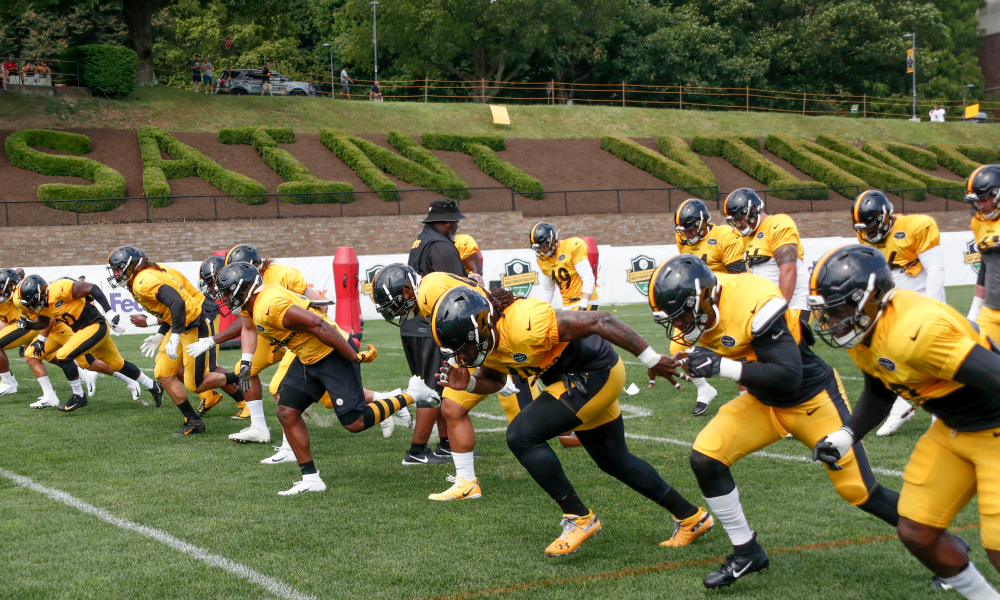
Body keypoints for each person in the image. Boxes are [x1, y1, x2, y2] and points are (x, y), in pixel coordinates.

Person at [647, 254, 900, 588]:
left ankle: (937, 540)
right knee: (706, 457)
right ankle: (747, 551)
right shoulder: (697, 317)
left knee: (859, 491)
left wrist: (722, 366)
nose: (677, 325)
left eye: (680, 316)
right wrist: (662, 361)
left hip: (811, 399)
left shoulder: (754, 299)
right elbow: (696, 350)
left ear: (701, 299)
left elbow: (788, 375)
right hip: (764, 403)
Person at [435, 285, 712, 556]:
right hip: (577, 381)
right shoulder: (490, 340)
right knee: (615, 461)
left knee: (521, 435)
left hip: (595, 373)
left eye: (463, 346)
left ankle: (579, 518)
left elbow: (601, 320)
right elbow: (494, 379)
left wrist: (651, 359)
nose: (460, 356)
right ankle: (692, 517)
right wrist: (470, 382)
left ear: (480, 328)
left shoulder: (525, 322)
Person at [809, 245, 1000, 600]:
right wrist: (848, 434)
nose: (830, 322)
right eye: (826, 312)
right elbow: (880, 390)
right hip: (951, 428)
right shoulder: (868, 330)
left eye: (836, 310)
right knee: (917, 530)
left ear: (870, 297)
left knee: (998, 548)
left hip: (996, 429)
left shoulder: (917, 331)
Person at [212, 261, 439, 495]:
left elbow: (318, 324)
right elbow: (251, 329)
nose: (226, 297)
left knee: (354, 422)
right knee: (286, 411)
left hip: (332, 353)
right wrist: (247, 363)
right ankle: (311, 479)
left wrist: (351, 355)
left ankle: (412, 394)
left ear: (244, 288)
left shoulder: (268, 305)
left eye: (228, 291)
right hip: (307, 357)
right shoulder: (254, 305)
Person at [371, 264, 536, 500]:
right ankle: (466, 483)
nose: (395, 313)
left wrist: (490, 367)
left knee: (533, 424)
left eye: (394, 305)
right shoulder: (428, 290)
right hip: (491, 338)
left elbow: (472, 326)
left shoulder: (429, 294)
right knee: (452, 406)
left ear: (406, 291)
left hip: (500, 338)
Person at [187, 245, 324, 447]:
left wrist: (297, 329)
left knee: (283, 386)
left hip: (300, 338)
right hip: (273, 336)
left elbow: (321, 305)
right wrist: (246, 361)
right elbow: (248, 326)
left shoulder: (282, 275)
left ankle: (290, 445)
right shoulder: (246, 287)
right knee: (243, 371)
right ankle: (259, 428)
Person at [850, 190, 945, 436]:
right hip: (894, 306)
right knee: (895, 358)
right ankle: (905, 404)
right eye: (864, 229)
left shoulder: (914, 226)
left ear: (885, 216)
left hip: (922, 300)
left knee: (931, 358)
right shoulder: (865, 236)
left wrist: (932, 307)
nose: (868, 233)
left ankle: (937, 413)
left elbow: (935, 268)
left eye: (872, 227)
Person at [108, 246, 218, 435]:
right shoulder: (143, 278)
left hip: (193, 324)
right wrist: (161, 334)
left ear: (132, 266)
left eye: (118, 269)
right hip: (181, 325)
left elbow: (177, 303)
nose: (116, 274)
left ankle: (241, 379)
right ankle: (194, 421)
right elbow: (168, 310)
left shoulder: (144, 280)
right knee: (163, 374)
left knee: (195, 383)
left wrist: (173, 335)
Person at [17, 274, 163, 412]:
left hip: (94, 325)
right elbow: (43, 323)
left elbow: (92, 288)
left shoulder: (59, 288)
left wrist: (109, 311)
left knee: (62, 355)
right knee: (117, 364)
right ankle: (153, 386)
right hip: (85, 330)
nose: (32, 306)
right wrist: (28, 325)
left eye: (33, 301)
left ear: (41, 292)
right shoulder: (44, 306)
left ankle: (78, 396)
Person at [397, 199, 471, 466]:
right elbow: (455, 287)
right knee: (430, 387)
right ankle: (416, 451)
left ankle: (446, 444)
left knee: (440, 384)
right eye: (456, 222)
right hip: (429, 326)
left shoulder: (421, 240)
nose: (457, 226)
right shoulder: (440, 245)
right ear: (449, 222)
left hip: (415, 324)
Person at [672, 198, 746, 415]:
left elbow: (739, 277)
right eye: (683, 231)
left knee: (736, 351)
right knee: (677, 349)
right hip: (699, 306)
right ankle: (704, 389)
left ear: (703, 222)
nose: (686, 234)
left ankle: (749, 400)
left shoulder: (725, 236)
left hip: (726, 302)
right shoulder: (682, 238)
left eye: (691, 228)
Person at [965, 165, 1000, 345]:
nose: (981, 206)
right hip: (991, 310)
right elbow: (985, 268)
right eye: (978, 201)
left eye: (985, 199)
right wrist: (975, 310)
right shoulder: (978, 223)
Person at [530, 222, 599, 311]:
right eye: (539, 248)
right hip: (567, 306)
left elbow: (588, 277)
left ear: (552, 239)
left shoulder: (572, 246)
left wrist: (583, 305)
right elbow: (548, 290)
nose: (542, 250)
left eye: (543, 246)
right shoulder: (543, 260)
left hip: (586, 301)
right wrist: (542, 311)